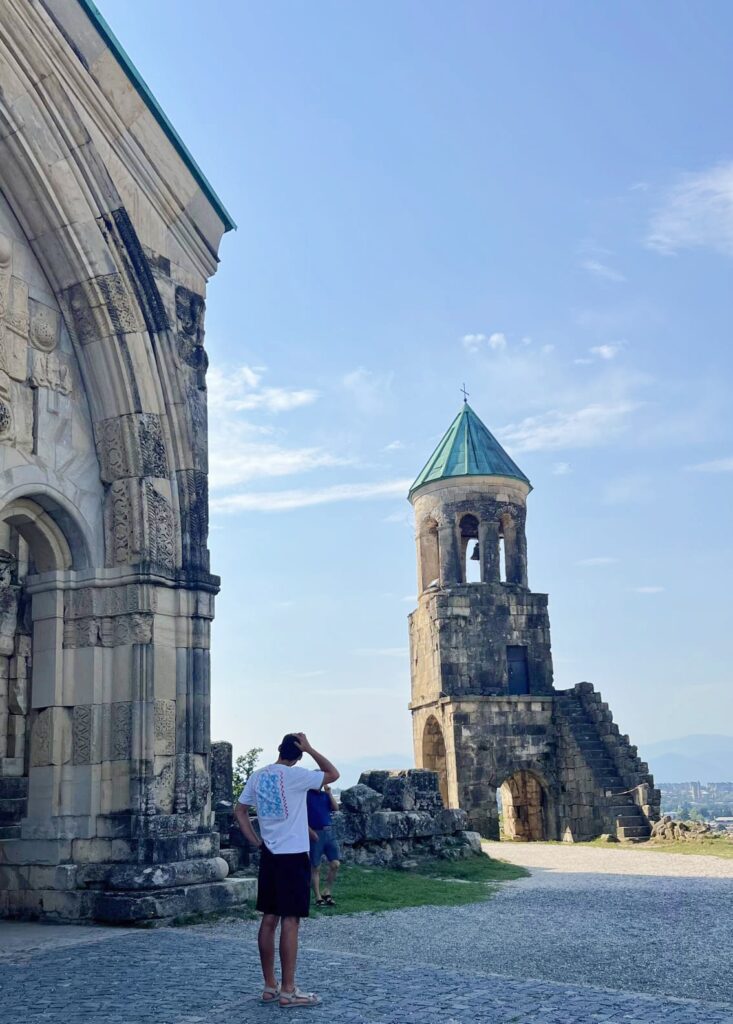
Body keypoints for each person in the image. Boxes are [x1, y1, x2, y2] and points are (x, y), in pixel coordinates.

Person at [234, 732, 339, 1009]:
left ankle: (270, 986)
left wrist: (255, 841)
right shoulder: (297, 776)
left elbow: (240, 811)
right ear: (299, 754)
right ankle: (289, 990)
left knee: (269, 919)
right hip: (292, 857)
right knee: (291, 921)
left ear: (278, 750)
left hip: (269, 854)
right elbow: (333, 773)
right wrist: (312, 747)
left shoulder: (259, 776)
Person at [307, 784, 340, 906]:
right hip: (315, 831)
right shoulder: (306, 795)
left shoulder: (324, 795)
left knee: (335, 864)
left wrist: (329, 793)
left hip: (329, 832)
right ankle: (318, 897)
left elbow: (336, 808)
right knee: (315, 866)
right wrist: (310, 831)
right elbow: (300, 815)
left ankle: (327, 891)